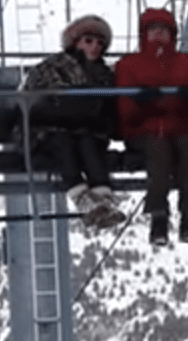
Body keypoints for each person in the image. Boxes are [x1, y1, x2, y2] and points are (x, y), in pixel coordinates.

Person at [114, 8, 188, 245]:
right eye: (153, 29)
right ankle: (159, 217)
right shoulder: (129, 65)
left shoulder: (186, 65)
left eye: (164, 29)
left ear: (172, 34)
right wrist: (145, 104)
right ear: (144, 34)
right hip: (143, 130)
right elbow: (124, 109)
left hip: (179, 128)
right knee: (158, 153)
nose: (158, 34)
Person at [22, 14, 125, 229]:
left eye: (100, 43)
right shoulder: (53, 67)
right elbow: (36, 99)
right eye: (89, 40)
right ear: (75, 42)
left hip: (86, 130)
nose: (95, 47)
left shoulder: (105, 76)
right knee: (64, 145)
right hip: (49, 130)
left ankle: (101, 198)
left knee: (89, 145)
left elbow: (111, 108)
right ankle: (83, 198)